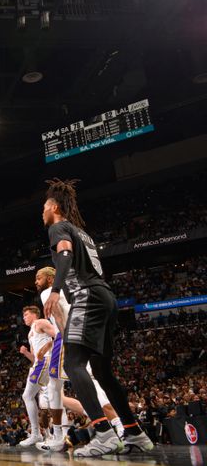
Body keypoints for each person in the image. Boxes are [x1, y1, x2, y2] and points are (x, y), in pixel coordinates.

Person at [42, 178, 153, 456]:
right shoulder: (83, 233)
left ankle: (103, 432)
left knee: (75, 363)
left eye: (44, 207)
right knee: (103, 371)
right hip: (106, 297)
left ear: (54, 206)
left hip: (87, 298)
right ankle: (134, 431)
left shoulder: (58, 227)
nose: (41, 212)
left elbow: (64, 253)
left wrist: (55, 290)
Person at [35, 266, 122, 452]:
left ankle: (59, 436)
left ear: (50, 279)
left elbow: (58, 315)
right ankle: (119, 425)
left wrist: (68, 340)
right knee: (72, 383)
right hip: (79, 335)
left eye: (38, 277)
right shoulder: (67, 290)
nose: (36, 281)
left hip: (65, 338)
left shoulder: (49, 293)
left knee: (58, 387)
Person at [17, 306, 57, 446]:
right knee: (50, 400)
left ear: (34, 314)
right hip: (39, 364)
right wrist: (26, 353)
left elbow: (58, 335)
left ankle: (37, 434)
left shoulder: (40, 322)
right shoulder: (30, 334)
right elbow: (35, 358)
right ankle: (47, 434)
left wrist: (46, 347)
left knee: (28, 396)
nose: (24, 317)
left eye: (26, 314)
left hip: (46, 361)